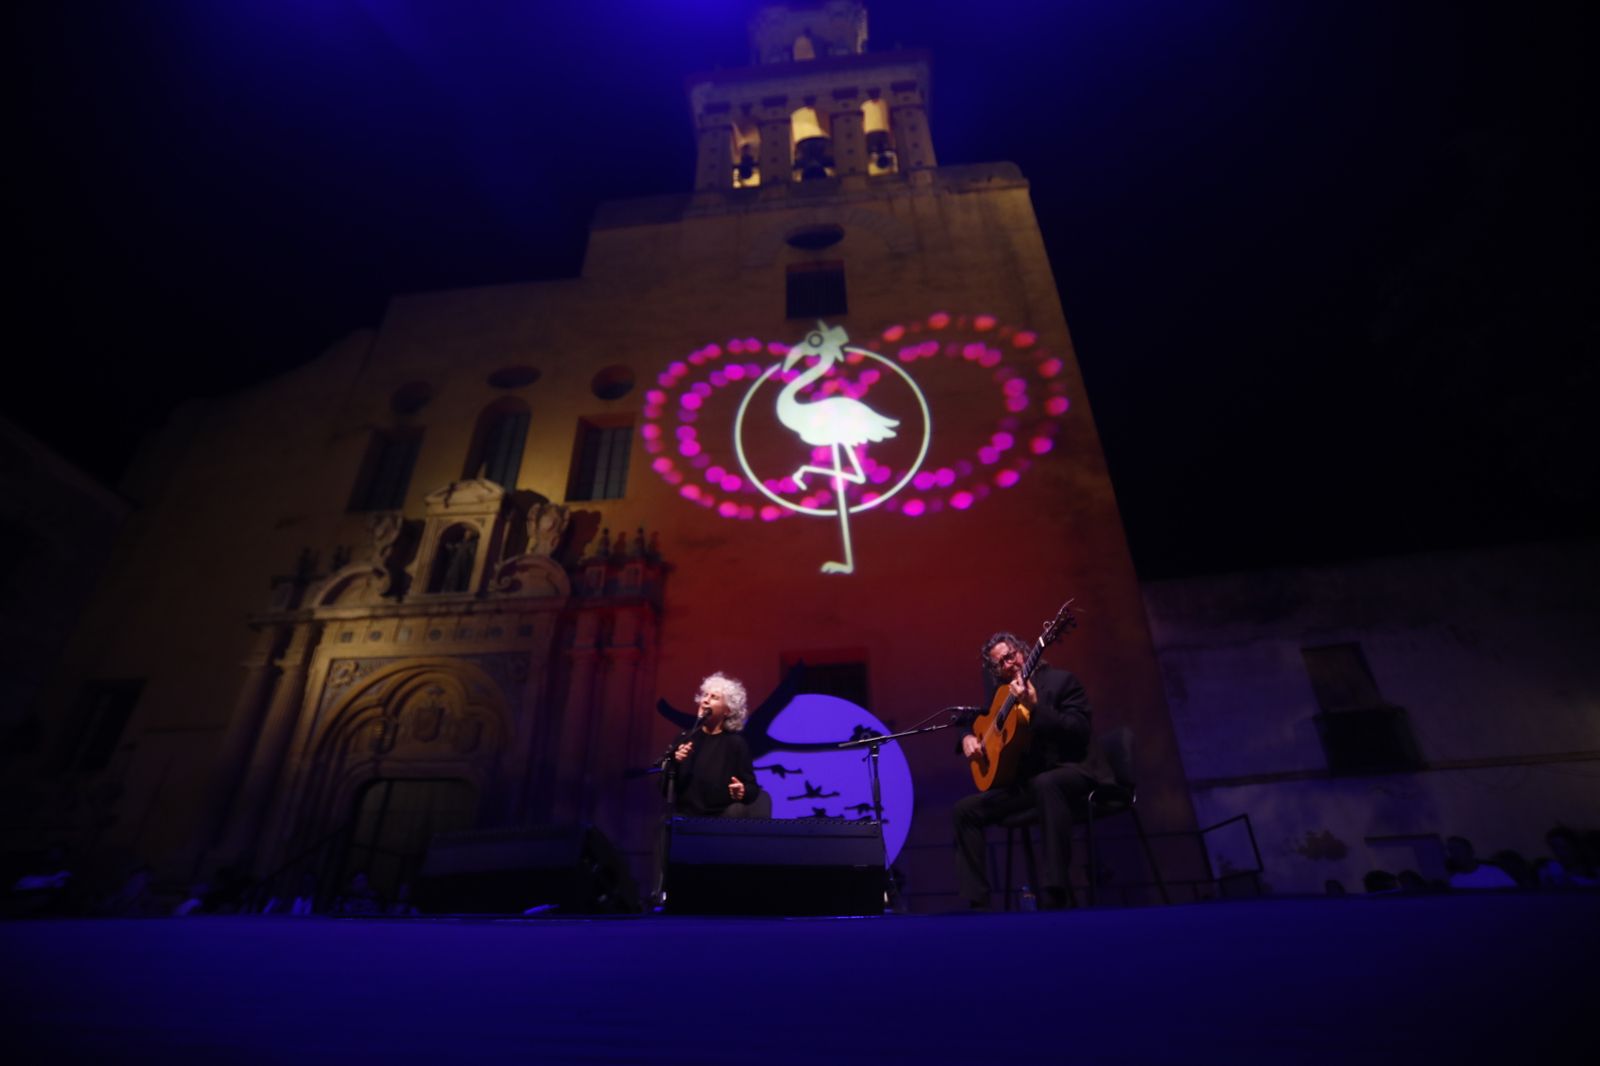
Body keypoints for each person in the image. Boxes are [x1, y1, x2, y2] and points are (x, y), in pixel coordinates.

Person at [953, 632, 1110, 910]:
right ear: (996, 671)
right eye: (1001, 662)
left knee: (1046, 784)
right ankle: (977, 902)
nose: (1009, 663)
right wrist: (966, 737)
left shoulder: (1061, 681)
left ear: (1024, 651)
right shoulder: (1003, 696)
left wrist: (1036, 707)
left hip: (1073, 771)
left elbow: (1079, 731)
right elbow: (977, 719)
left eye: (1011, 655)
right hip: (1030, 782)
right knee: (965, 810)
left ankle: (1055, 891)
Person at [665, 672, 764, 818]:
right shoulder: (685, 738)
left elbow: (752, 789)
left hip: (720, 818)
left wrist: (742, 791)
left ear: (728, 710)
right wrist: (675, 763)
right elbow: (664, 788)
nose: (705, 700)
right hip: (685, 817)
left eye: (714, 697)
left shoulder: (735, 744)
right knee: (664, 821)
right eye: (705, 695)